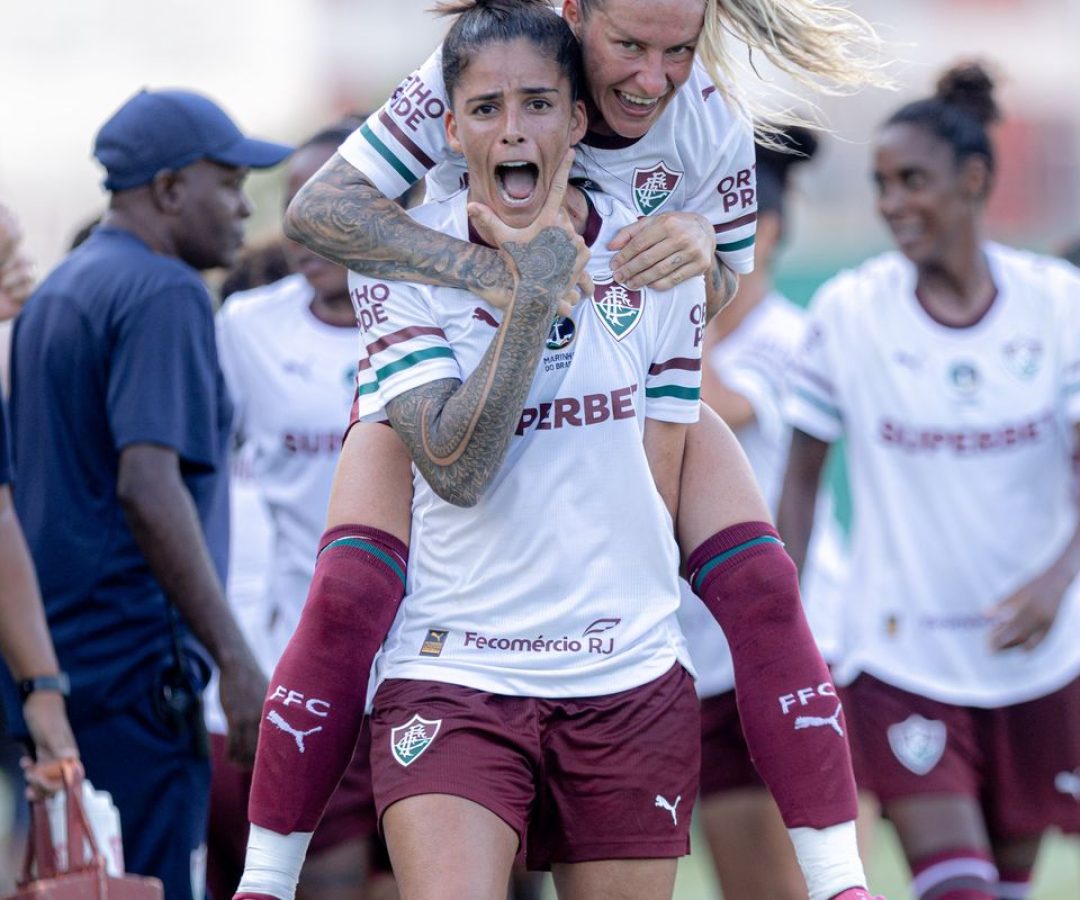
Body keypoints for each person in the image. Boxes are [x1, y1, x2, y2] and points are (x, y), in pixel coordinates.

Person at [241, 3, 882, 900]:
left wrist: (702, 248)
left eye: (677, 51)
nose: (653, 78)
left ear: (572, 116)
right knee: (350, 589)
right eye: (629, 47)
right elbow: (324, 215)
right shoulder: (468, 85)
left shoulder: (703, 136)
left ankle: (842, 883)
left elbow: (718, 301)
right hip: (458, 650)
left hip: (622, 665)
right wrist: (513, 280)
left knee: (762, 585)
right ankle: (262, 879)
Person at [777, 62, 1080, 900]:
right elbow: (802, 481)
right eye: (880, 184)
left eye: (914, 180)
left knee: (1012, 888)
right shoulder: (848, 310)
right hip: (900, 658)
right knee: (961, 891)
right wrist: (785, 625)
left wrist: (1058, 581)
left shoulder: (1058, 304)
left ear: (974, 180)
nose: (892, 203)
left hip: (1040, 662)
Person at [2, 88, 290, 900]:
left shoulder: (61, 289)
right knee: (152, 886)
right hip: (137, 670)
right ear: (168, 191)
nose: (243, 208)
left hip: (61, 668)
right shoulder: (164, 293)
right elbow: (148, 487)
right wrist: (235, 659)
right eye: (228, 183)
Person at [676, 125, 869, 899]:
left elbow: (705, 403)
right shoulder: (693, 339)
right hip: (703, 660)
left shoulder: (790, 339)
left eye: (726, 224)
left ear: (771, 230)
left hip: (796, 649)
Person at [208, 119, 380, 900]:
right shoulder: (246, 329)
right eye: (292, 204)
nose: (303, 225)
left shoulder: (442, 316)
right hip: (313, 668)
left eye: (330, 202)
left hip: (441, 664)